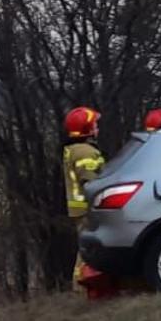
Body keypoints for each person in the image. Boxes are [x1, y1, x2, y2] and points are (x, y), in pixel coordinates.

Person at [63, 106, 106, 292]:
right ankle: (81, 287)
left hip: (79, 208)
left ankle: (82, 285)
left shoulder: (74, 149)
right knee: (87, 251)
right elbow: (92, 181)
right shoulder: (85, 152)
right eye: (95, 125)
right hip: (86, 208)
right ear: (87, 129)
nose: (97, 128)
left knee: (85, 249)